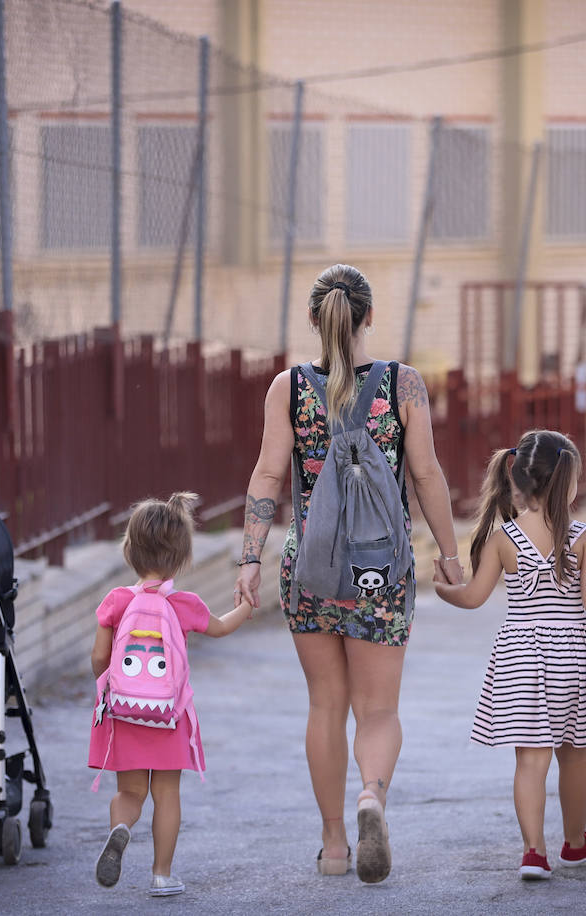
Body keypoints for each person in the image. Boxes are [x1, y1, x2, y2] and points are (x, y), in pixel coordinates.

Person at [233, 264, 463, 883]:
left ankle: (334, 846)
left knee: (324, 706)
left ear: (315, 320)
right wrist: (449, 552)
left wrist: (250, 558)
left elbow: (267, 476)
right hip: (379, 574)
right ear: (368, 318)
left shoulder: (288, 387)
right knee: (378, 711)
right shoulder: (402, 384)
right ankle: (370, 798)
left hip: (308, 570)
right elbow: (427, 474)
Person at [433, 430, 586, 881]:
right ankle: (576, 844)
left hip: (520, 656)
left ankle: (533, 853)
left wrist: (443, 590)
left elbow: (474, 597)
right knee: (575, 752)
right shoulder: (581, 537)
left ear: (520, 479)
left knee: (531, 759)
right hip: (573, 656)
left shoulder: (505, 538)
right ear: (568, 483)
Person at [90, 493, 254, 898]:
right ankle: (162, 875)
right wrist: (246, 608)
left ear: (129, 550)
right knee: (167, 795)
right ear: (182, 556)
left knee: (130, 793)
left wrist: (112, 688)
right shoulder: (184, 604)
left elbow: (98, 658)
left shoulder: (116, 602)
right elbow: (219, 627)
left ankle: (121, 828)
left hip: (125, 714)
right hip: (168, 717)